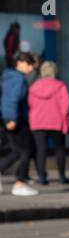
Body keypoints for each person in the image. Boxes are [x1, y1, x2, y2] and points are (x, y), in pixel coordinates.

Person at [0, 51, 39, 195]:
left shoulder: (9, 77)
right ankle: (19, 183)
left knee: (17, 151)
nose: (31, 69)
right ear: (20, 63)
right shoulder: (18, 79)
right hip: (17, 120)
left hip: (11, 118)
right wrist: (12, 119)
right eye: (29, 65)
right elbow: (12, 100)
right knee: (26, 151)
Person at [28, 60, 69, 185]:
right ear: (55, 72)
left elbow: (30, 104)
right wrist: (66, 121)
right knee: (59, 149)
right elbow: (65, 105)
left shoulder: (34, 87)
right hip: (56, 121)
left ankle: (42, 177)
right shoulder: (60, 86)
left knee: (41, 150)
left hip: (38, 122)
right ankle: (62, 176)